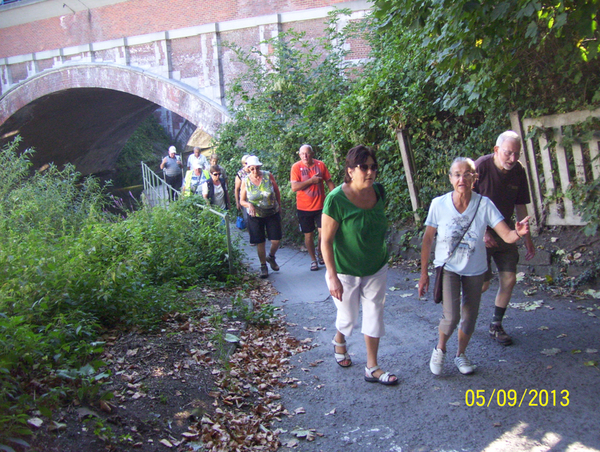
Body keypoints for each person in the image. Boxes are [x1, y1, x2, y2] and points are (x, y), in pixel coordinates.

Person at [419, 157, 530, 376]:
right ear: (450, 178)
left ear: (475, 178)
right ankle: (440, 349)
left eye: (467, 174)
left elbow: (506, 235)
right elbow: (427, 239)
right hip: (449, 267)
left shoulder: (484, 204)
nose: (462, 179)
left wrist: (518, 232)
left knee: (470, 318)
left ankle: (460, 354)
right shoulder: (439, 204)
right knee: (451, 317)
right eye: (457, 174)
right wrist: (424, 273)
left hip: (476, 269)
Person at [321, 145, 398, 386]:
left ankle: (372, 367)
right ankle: (339, 339)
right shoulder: (336, 200)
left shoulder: (379, 191)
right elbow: (325, 240)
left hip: (376, 266)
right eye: (363, 167)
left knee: (374, 313)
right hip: (345, 270)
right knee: (349, 318)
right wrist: (332, 275)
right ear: (350, 170)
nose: (370, 172)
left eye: (373, 167)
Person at [474, 131, 536, 346]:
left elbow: (521, 206)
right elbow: (464, 201)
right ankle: (462, 316)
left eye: (516, 154)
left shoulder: (518, 171)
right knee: (481, 285)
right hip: (479, 233)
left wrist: (527, 237)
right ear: (497, 150)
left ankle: (496, 324)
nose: (512, 159)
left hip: (507, 232)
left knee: (509, 278)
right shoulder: (480, 167)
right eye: (508, 153)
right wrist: (482, 231)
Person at [291, 144, 335, 271]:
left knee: (323, 233)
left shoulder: (320, 165)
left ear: (312, 153)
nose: (305, 156)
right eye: (302, 154)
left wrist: (334, 198)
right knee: (308, 235)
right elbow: (294, 187)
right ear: (299, 155)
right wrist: (311, 181)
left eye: (307, 153)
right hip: (304, 208)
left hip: (321, 206)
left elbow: (329, 181)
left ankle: (320, 251)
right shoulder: (296, 167)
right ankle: (313, 260)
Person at [239, 156, 283, 279]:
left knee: (276, 240)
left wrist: (279, 205)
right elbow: (242, 200)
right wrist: (249, 205)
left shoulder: (268, 175)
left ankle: (271, 257)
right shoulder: (245, 181)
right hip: (255, 215)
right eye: (252, 168)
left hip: (271, 212)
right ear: (248, 168)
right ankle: (263, 266)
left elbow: (276, 191)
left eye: (257, 168)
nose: (255, 171)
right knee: (260, 242)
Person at [235, 155, 251, 223]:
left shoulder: (253, 171)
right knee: (247, 218)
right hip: (244, 198)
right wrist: (237, 202)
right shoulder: (240, 174)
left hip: (253, 196)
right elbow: (236, 189)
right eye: (246, 163)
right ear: (243, 164)